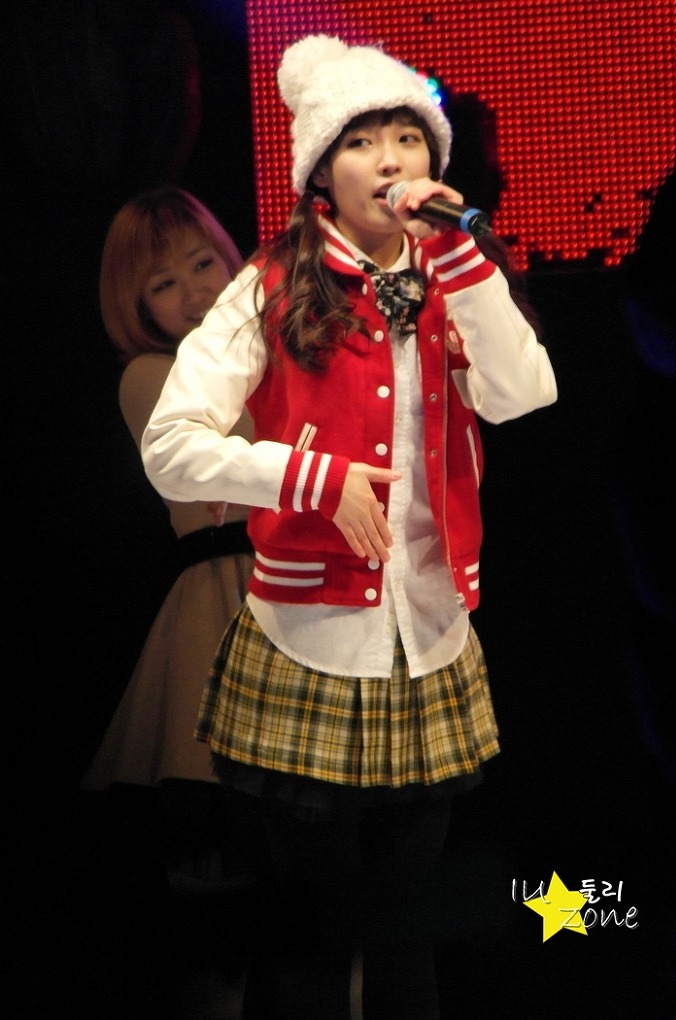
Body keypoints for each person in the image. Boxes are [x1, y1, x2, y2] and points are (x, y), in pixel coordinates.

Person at [141, 35, 558, 1020]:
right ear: (321, 172)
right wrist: (309, 478)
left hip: (431, 638)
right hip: (311, 642)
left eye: (407, 138)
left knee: (409, 940)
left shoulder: (456, 270)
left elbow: (524, 395)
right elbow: (169, 445)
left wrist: (465, 262)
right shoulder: (271, 280)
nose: (389, 159)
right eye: (362, 141)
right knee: (313, 949)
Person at [81, 187, 256, 880]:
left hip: (308, 579)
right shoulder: (151, 377)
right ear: (139, 305)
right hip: (226, 593)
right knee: (220, 830)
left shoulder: (275, 349)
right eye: (164, 283)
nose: (195, 292)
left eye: (203, 264)